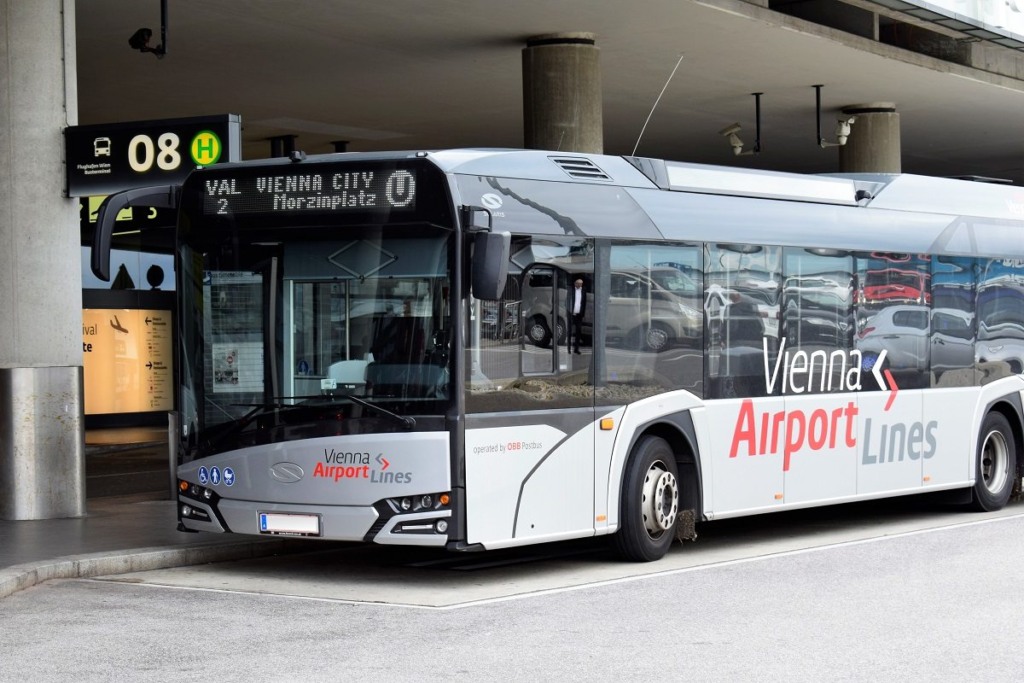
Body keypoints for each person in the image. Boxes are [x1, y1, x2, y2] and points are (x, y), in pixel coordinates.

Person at [565, 278, 587, 354]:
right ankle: (568, 349)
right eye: (578, 283)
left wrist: (582, 313)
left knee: (578, 332)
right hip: (571, 314)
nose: (579, 285)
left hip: (579, 315)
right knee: (569, 332)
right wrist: (568, 311)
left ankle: (576, 349)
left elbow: (584, 303)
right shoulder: (571, 290)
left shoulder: (583, 291)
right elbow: (567, 301)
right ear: (575, 283)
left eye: (581, 284)